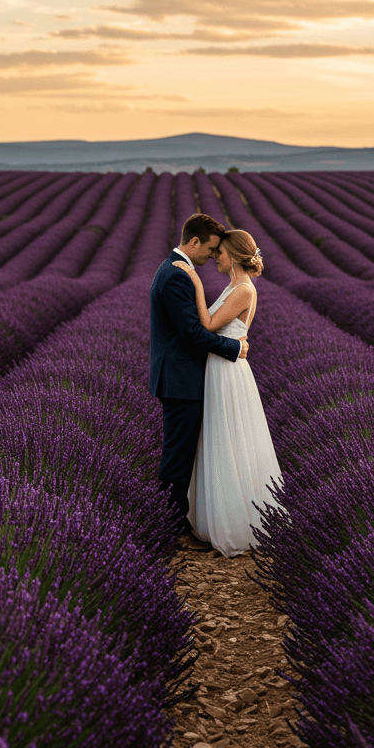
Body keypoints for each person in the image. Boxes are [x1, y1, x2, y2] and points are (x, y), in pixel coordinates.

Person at [172, 228, 282, 557]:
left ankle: (231, 525)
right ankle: (212, 520)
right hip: (221, 367)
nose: (216, 256)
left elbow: (207, 325)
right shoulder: (236, 286)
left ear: (233, 255)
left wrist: (193, 282)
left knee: (227, 441)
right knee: (220, 441)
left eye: (220, 252)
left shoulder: (243, 290)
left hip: (227, 373)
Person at [150, 213, 248, 552]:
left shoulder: (176, 270)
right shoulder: (177, 276)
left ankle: (179, 524)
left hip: (184, 377)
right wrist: (234, 348)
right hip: (181, 378)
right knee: (178, 456)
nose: (211, 255)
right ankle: (168, 529)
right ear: (193, 242)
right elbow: (192, 334)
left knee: (185, 453)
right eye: (209, 248)